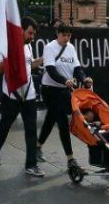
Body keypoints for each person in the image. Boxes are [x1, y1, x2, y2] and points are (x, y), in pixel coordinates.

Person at [0, 17, 46, 177]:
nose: (32, 37)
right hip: (11, 95)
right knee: (5, 125)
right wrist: (12, 56)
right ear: (20, 30)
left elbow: (29, 65)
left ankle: (31, 164)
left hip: (29, 94)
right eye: (29, 33)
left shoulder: (28, 47)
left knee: (31, 128)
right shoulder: (7, 45)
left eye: (33, 34)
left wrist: (41, 60)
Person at [36, 24, 90, 170]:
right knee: (62, 122)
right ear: (57, 34)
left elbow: (77, 68)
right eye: (63, 35)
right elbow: (50, 69)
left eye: (68, 35)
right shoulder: (50, 47)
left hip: (64, 90)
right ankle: (70, 158)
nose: (66, 38)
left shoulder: (71, 48)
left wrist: (84, 78)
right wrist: (64, 80)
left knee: (51, 118)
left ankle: (37, 146)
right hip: (50, 89)